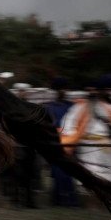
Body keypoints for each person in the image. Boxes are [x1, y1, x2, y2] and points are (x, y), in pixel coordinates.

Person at [43, 78, 79, 207]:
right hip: (54, 143)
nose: (63, 91)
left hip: (69, 142)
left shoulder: (72, 106)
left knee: (68, 170)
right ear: (55, 91)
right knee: (57, 171)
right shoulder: (48, 107)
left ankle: (69, 199)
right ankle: (57, 199)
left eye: (65, 88)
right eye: (60, 89)